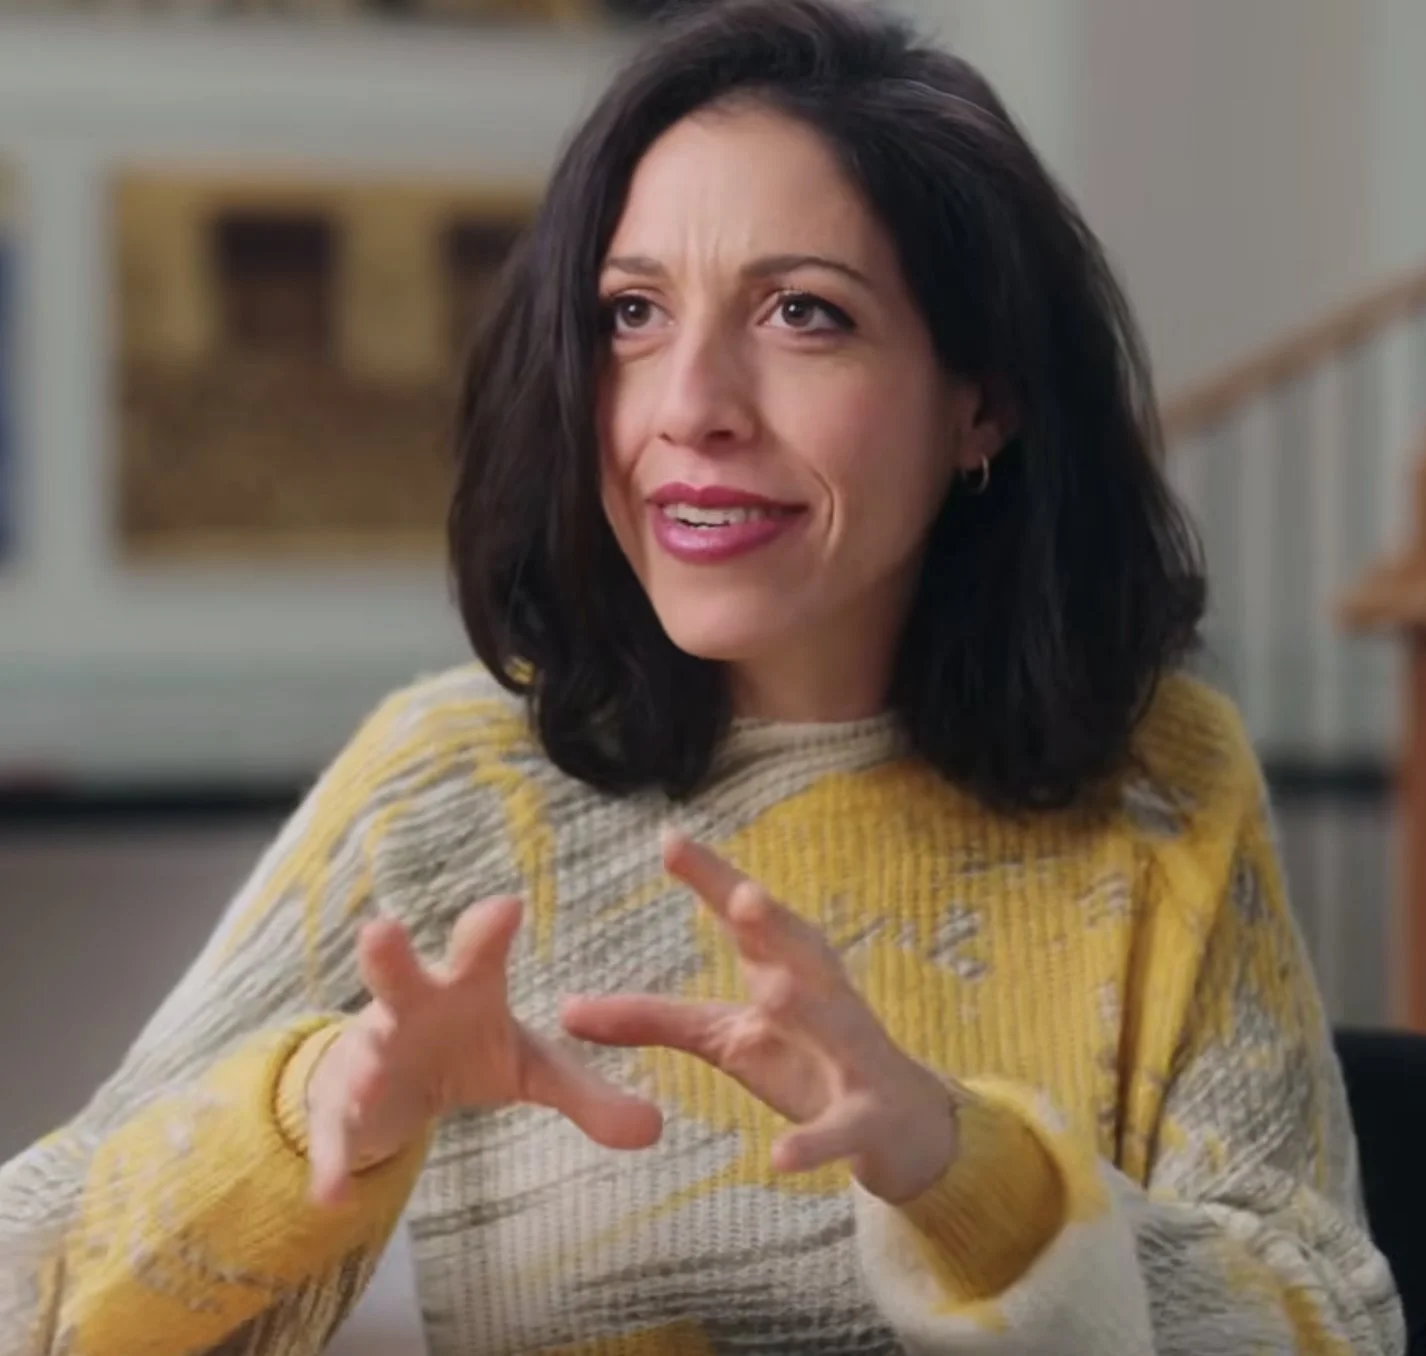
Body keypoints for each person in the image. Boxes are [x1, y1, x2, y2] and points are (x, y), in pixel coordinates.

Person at [0, 1, 1405, 1352]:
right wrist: (310, 1113)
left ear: (981, 400)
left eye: (802, 313)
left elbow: (1327, 1326)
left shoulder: (1157, 784)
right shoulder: (449, 788)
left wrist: (963, 1174)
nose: (688, 408)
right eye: (630, 314)